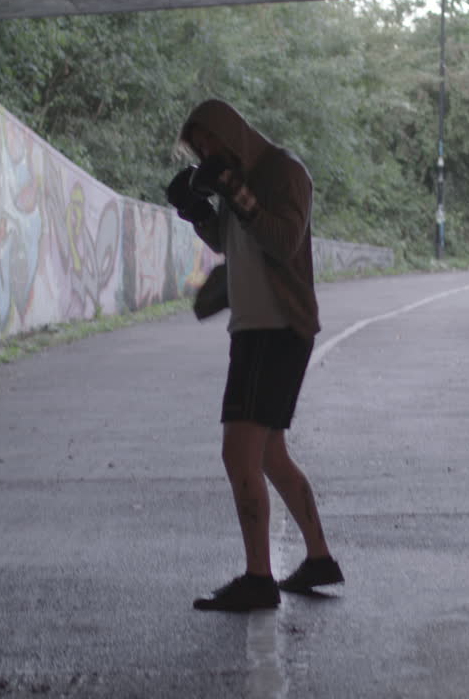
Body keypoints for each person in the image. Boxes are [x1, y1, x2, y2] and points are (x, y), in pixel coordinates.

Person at [166, 99, 344, 612]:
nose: (205, 154)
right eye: (199, 150)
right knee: (268, 453)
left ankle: (258, 578)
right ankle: (319, 559)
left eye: (209, 143)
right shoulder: (236, 175)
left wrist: (233, 190)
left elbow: (283, 240)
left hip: (276, 329)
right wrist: (199, 211)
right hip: (254, 328)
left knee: (238, 451)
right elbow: (232, 241)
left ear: (231, 133)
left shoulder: (284, 172)